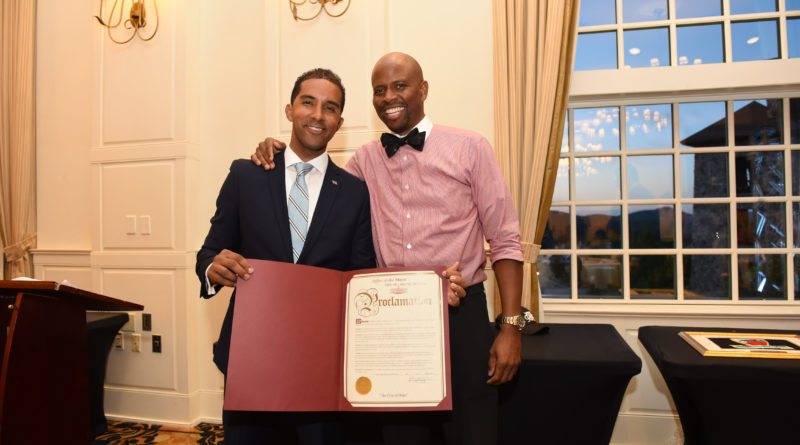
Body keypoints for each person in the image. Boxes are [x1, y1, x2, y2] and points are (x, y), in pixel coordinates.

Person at [252, 52, 524, 445]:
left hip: (460, 312)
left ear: (423, 89)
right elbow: (318, 193)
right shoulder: (364, 160)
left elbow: (505, 239)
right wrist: (282, 155)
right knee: (400, 434)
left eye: (400, 86)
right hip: (392, 319)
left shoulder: (471, 148)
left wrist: (510, 327)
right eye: (379, 90)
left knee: (472, 430)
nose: (389, 97)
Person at [196, 68, 377, 444]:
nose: (317, 114)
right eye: (307, 102)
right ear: (289, 109)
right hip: (252, 355)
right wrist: (215, 268)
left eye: (329, 108)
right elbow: (209, 252)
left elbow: (361, 276)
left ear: (339, 122)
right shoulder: (246, 175)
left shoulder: (355, 193)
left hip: (322, 363)